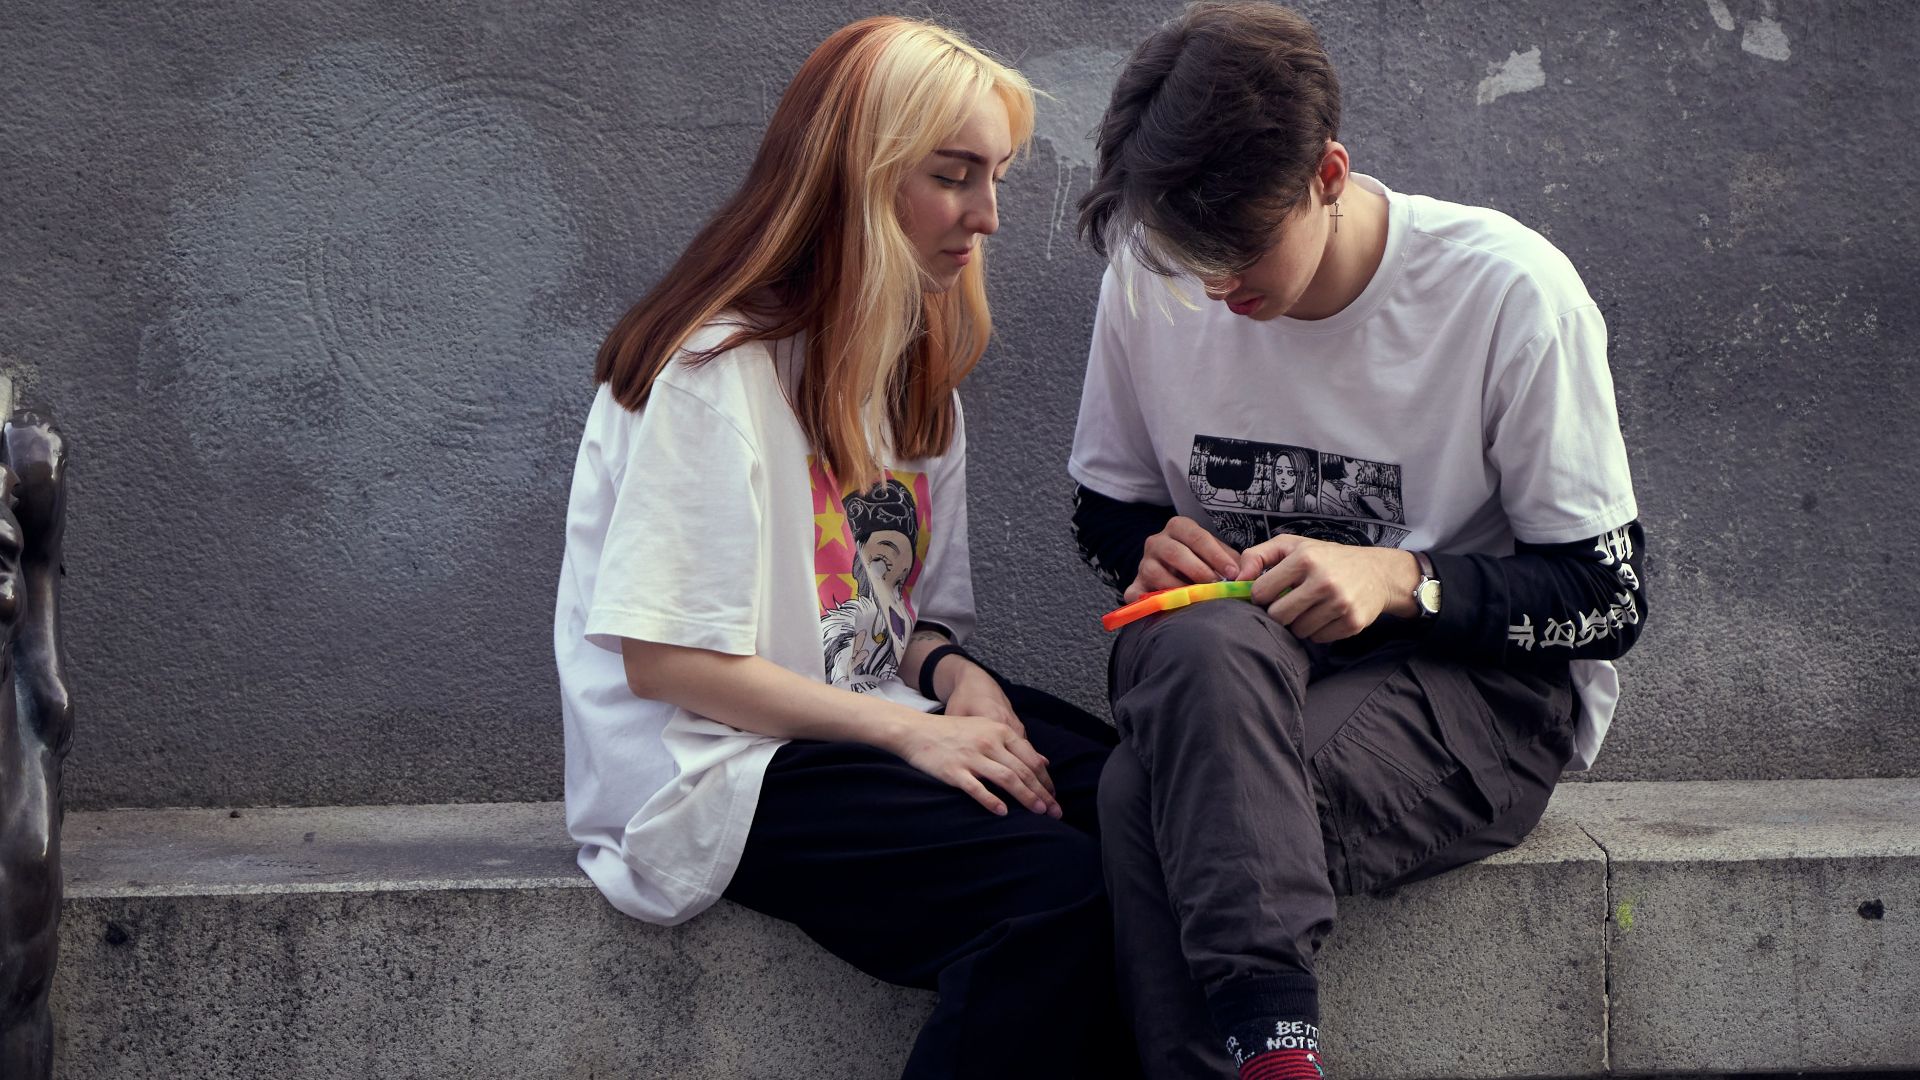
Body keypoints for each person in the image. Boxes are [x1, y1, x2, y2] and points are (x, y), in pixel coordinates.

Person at [1065, 4, 1649, 1077]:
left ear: (1328, 174)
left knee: (1138, 800)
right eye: (1186, 251)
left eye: (1241, 248)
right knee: (1200, 653)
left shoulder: (1506, 292)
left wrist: (1405, 581)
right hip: (1229, 664)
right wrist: (1147, 548)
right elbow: (1106, 510)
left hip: (1478, 687)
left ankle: (1268, 1052)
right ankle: (1279, 1054)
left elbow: (1610, 598)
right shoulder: (1156, 274)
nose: (1213, 286)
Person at [554, 17, 1135, 1080]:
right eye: (954, 175)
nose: (988, 216)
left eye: (995, 176)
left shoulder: (914, 386)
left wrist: (956, 681)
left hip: (852, 717)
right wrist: (912, 739)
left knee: (1145, 808)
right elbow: (666, 664)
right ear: (855, 182)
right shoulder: (709, 377)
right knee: (1059, 894)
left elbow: (898, 625)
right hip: (712, 768)